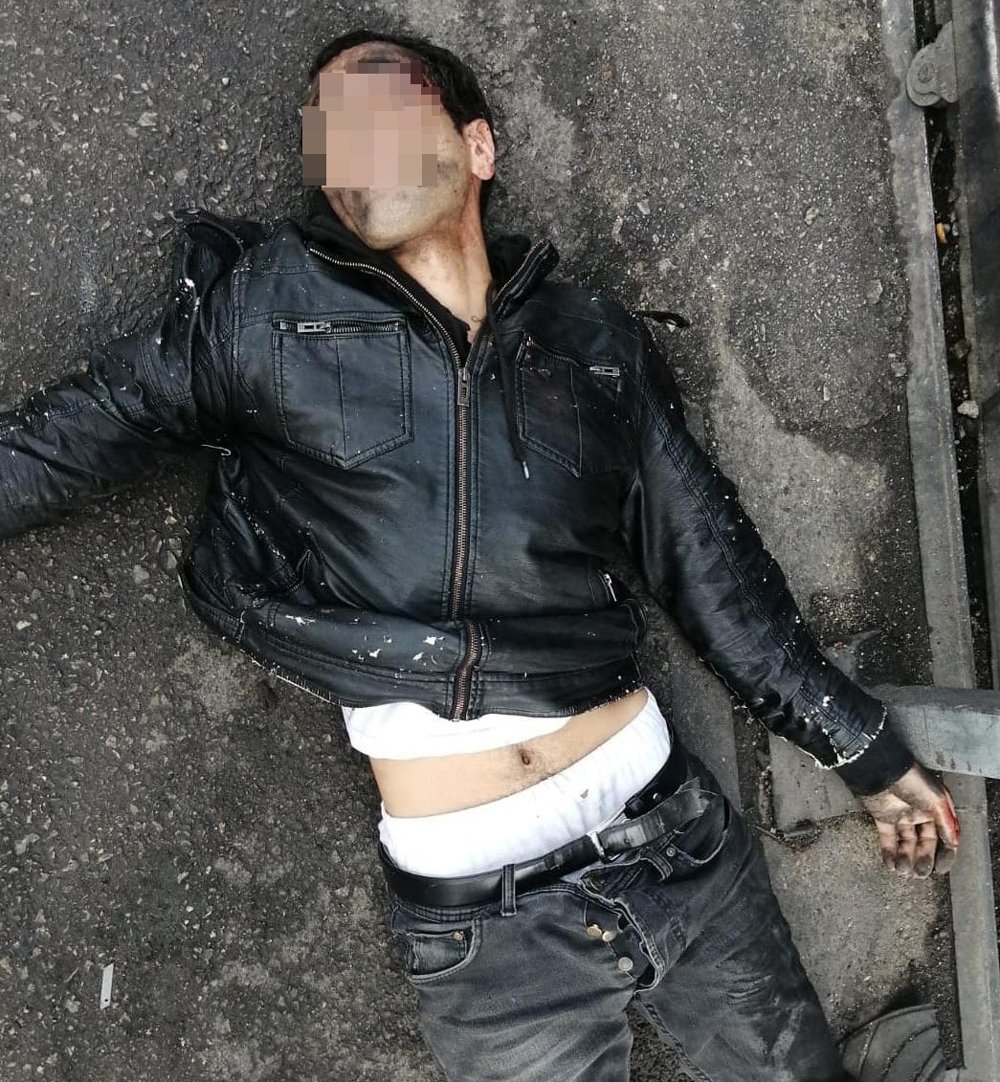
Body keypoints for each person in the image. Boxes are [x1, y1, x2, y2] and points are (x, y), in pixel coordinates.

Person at [0, 26, 961, 1082]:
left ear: (478, 146)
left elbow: (708, 562)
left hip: (676, 839)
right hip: (486, 932)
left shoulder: (594, 344)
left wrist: (859, 744)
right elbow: (63, 441)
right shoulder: (265, 311)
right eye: (329, 136)